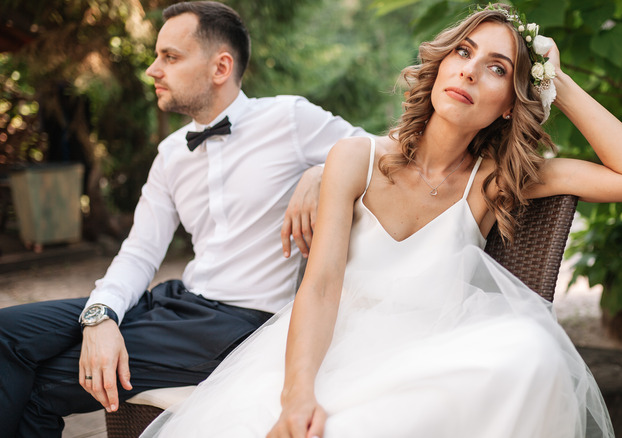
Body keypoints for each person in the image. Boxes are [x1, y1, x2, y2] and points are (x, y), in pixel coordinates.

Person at [141, 4, 622, 438]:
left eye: (497, 67)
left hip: (433, 364)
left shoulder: (493, 182)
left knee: (532, 352)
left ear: (510, 104)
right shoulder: (354, 159)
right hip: (335, 359)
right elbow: (321, 287)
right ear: (440, 65)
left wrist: (558, 80)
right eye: (463, 52)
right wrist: (299, 394)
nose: (469, 69)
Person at [0, 2, 367, 436]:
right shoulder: (172, 153)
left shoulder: (289, 118)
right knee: (9, 330)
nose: (153, 70)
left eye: (170, 57)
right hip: (176, 301)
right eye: (157, 57)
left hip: (241, 322)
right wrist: (101, 316)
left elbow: (381, 153)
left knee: (44, 382)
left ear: (220, 67)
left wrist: (322, 170)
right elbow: (139, 251)